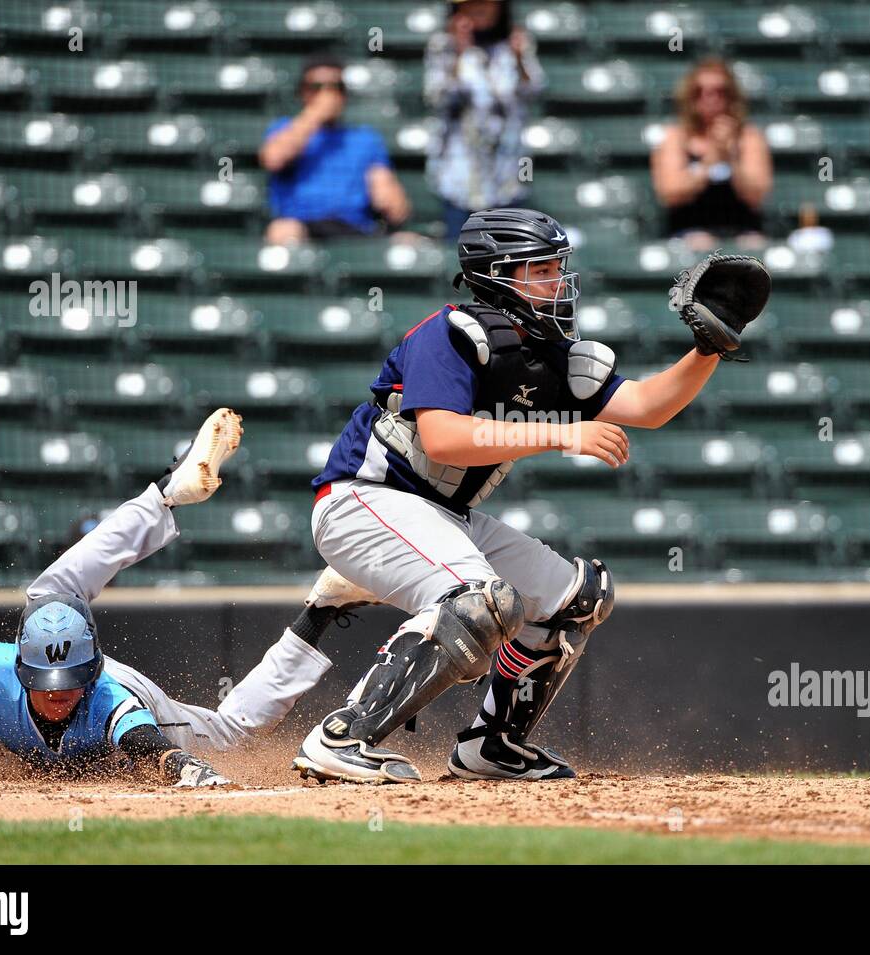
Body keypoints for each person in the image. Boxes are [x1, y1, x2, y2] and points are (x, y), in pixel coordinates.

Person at [281, 207, 762, 784]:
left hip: (442, 514)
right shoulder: (451, 334)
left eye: (558, 267)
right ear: (494, 274)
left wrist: (708, 347)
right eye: (540, 269)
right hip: (363, 500)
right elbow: (445, 438)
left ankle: (491, 747)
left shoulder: (555, 354)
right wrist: (560, 433)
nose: (557, 281)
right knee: (480, 601)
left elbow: (650, 407)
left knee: (577, 597)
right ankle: (344, 736)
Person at [0, 410, 365, 782]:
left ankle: (321, 609)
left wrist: (187, 770)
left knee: (230, 736)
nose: (57, 692)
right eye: (45, 681)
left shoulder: (106, 695)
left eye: (68, 680)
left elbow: (151, 746)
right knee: (49, 597)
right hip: (65, 643)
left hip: (125, 689)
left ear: (89, 675)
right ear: (22, 674)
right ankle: (168, 492)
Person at [424, 0, 544, 238]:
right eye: (470, 5)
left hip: (506, 174)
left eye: (485, 4)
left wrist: (520, 58)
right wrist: (458, 54)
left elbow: (533, 92)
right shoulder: (443, 45)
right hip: (459, 175)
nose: (479, 9)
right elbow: (438, 97)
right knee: (464, 256)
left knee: (507, 260)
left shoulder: (516, 41)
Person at [260, 55, 410, 244]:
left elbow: (393, 205)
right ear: (303, 93)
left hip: (354, 228)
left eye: (335, 87)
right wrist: (316, 113)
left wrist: (390, 197)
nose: (327, 94)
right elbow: (274, 158)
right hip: (302, 225)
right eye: (317, 87)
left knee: (411, 244)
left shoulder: (365, 138)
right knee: (282, 231)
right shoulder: (285, 129)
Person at [651, 57, 773, 251]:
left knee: (753, 247)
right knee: (701, 243)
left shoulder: (749, 137)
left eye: (719, 92)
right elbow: (671, 193)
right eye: (700, 92)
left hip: (742, 229)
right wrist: (709, 161)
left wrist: (731, 157)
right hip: (688, 229)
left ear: (732, 96)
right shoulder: (676, 137)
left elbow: (756, 195)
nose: (710, 99)